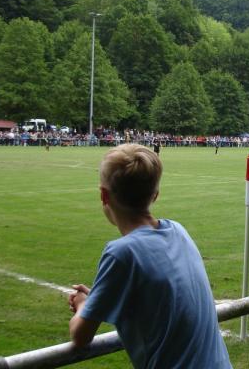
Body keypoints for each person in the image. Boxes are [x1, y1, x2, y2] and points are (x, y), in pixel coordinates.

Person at [68, 144, 231, 368]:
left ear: (104, 195)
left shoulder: (121, 253)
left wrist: (83, 305)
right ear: (155, 195)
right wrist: (98, 298)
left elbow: (80, 336)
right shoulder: (178, 231)